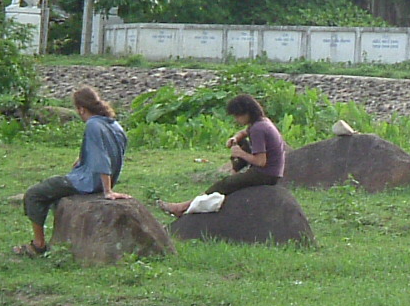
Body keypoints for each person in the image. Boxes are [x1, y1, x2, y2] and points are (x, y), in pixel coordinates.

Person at [15, 86, 130, 256]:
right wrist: (83, 159)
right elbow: (113, 151)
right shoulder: (114, 125)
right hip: (100, 179)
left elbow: (102, 158)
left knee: (34, 194)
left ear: (81, 109)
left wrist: (108, 191)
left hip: (87, 182)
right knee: (55, 197)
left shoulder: (92, 125)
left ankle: (38, 245)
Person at [157, 93, 285, 218]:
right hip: (272, 170)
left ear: (247, 113)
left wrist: (240, 153)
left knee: (223, 185)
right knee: (241, 143)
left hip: (266, 174)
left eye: (237, 116)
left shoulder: (258, 129)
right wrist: (235, 138)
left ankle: (182, 207)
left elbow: (261, 161)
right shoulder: (261, 122)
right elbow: (244, 133)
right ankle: (235, 171)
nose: (236, 120)